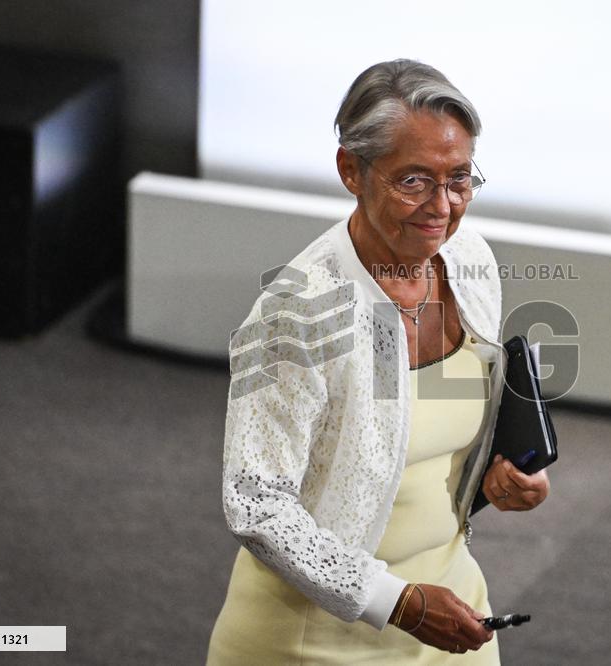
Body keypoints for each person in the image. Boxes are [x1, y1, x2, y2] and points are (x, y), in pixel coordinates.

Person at [206, 59, 550, 664]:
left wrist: (505, 470)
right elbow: (256, 504)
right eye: (413, 181)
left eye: (460, 179)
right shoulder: (298, 313)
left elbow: (429, 431)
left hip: (453, 607)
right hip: (315, 637)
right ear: (351, 170)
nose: (442, 206)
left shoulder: (468, 260)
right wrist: (401, 603)